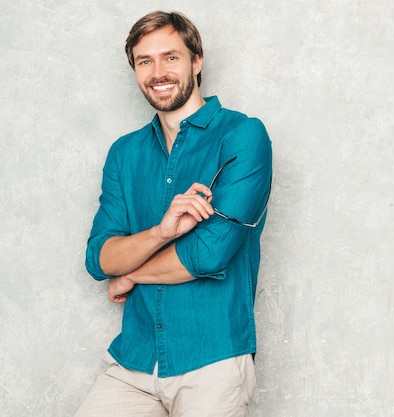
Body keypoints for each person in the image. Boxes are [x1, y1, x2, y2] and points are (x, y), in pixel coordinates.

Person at [75, 10, 272, 417]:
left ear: (196, 61)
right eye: (145, 61)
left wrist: (129, 273)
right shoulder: (124, 153)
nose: (157, 71)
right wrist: (161, 233)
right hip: (134, 359)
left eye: (171, 57)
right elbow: (99, 259)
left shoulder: (243, 135)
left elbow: (208, 254)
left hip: (213, 360)